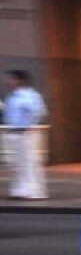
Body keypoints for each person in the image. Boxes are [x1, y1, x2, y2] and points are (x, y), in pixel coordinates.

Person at [3, 70, 49, 200]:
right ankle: (20, 189)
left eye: (10, 79)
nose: (8, 81)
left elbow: (38, 112)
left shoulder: (30, 96)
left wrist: (27, 124)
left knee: (30, 162)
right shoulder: (11, 97)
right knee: (17, 164)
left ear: (19, 80)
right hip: (14, 132)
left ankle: (34, 191)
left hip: (26, 132)